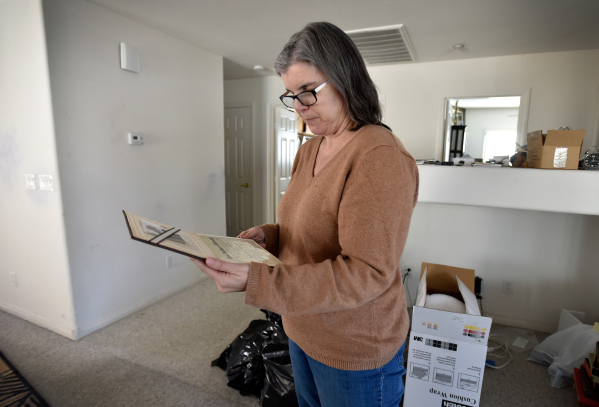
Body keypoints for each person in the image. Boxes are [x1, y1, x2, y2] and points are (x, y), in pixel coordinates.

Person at [191, 21, 419, 407]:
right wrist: (270, 235)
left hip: (354, 348)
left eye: (307, 92)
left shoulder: (378, 156)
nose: (298, 106)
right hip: (302, 325)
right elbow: (304, 225)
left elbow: (367, 273)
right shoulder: (311, 149)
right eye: (290, 95)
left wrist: (259, 282)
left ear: (345, 79)